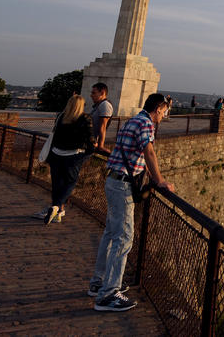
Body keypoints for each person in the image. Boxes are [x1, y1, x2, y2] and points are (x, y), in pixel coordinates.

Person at [90, 93, 174, 311]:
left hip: (113, 179)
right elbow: (149, 152)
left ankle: (99, 282)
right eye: (164, 112)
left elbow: (132, 152)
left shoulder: (133, 120)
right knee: (124, 238)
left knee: (111, 233)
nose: (164, 116)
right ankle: (107, 295)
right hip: (122, 185)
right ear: (158, 109)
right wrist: (160, 180)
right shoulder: (146, 124)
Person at [34, 95, 94, 224]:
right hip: (73, 156)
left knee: (57, 184)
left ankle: (58, 213)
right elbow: (90, 141)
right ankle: (56, 207)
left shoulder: (61, 117)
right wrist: (86, 154)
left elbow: (55, 137)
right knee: (70, 183)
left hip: (56, 154)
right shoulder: (85, 118)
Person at [90, 82, 114, 154]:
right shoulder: (99, 105)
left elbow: (103, 126)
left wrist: (100, 146)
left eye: (94, 93)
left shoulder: (105, 105)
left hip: (93, 143)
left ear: (102, 93)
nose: (91, 95)